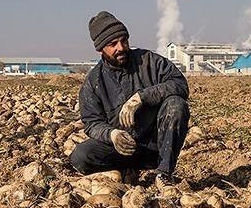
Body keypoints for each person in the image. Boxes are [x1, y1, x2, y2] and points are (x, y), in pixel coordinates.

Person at [69, 11, 190, 194]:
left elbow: (179, 84)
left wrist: (142, 97)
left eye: (124, 40)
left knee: (176, 104)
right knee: (81, 156)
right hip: (121, 150)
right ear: (101, 49)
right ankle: (122, 172)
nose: (121, 47)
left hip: (155, 147)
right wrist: (112, 135)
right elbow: (92, 122)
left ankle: (164, 174)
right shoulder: (94, 81)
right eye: (113, 44)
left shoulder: (149, 62)